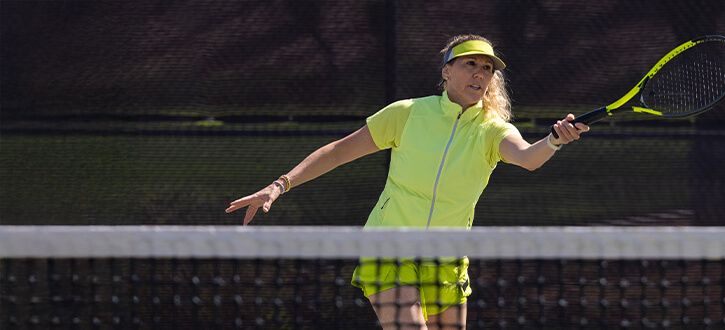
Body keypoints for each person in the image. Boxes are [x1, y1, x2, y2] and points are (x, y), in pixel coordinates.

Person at [226, 35, 589, 330]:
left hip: (446, 258)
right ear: (447, 71)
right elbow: (338, 151)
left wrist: (555, 140)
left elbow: (528, 157)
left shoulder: (493, 131)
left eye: (487, 68)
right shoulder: (408, 113)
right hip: (389, 245)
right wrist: (280, 185)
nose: (480, 73)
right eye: (470, 64)